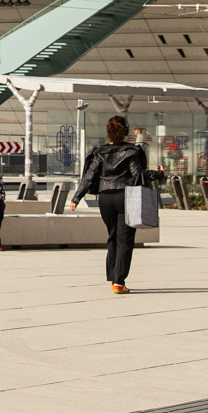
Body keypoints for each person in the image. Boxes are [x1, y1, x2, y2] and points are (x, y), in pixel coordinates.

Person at [69, 115, 161, 294]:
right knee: (125, 239)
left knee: (112, 236)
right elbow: (138, 174)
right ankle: (119, 282)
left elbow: (89, 176)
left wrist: (76, 198)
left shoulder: (100, 152)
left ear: (109, 133)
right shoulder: (132, 151)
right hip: (125, 196)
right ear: (125, 132)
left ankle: (113, 277)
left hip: (105, 198)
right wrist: (159, 175)